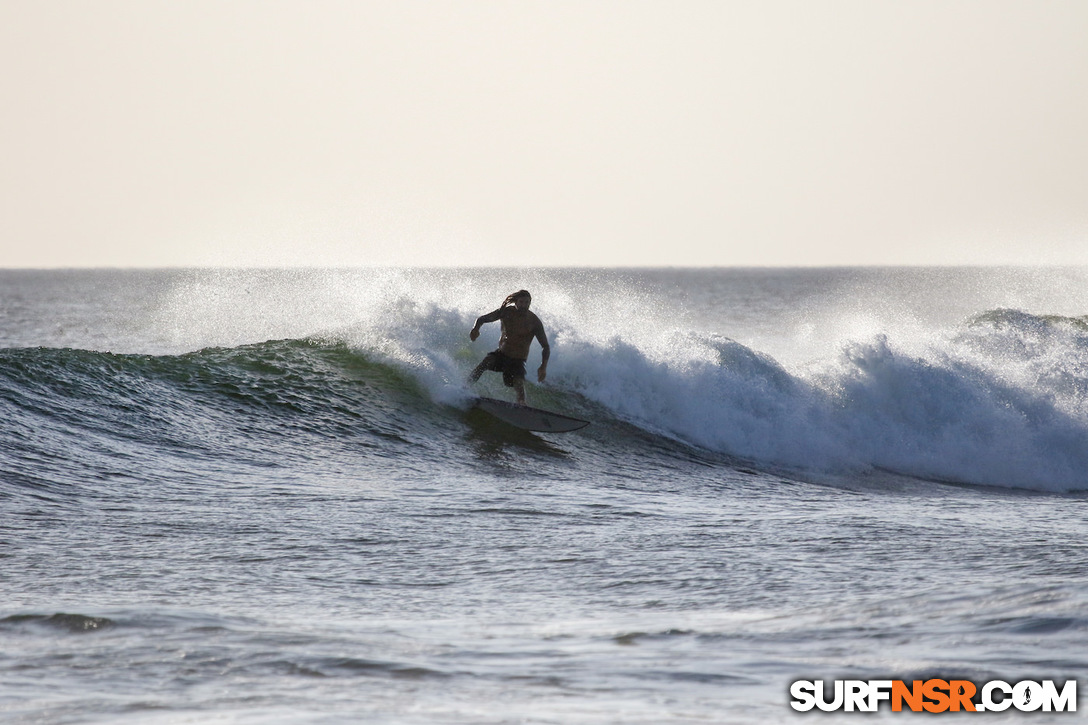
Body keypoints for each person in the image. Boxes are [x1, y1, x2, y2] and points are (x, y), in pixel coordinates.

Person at [468, 289, 550, 405]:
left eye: (527, 303)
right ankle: (464, 388)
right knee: (485, 363)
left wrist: (543, 367)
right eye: (521, 302)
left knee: (519, 383)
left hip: (518, 361)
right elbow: (482, 319)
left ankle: (521, 405)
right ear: (515, 302)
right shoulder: (506, 312)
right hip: (501, 355)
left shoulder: (534, 322)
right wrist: (476, 329)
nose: (524, 305)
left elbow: (545, 346)